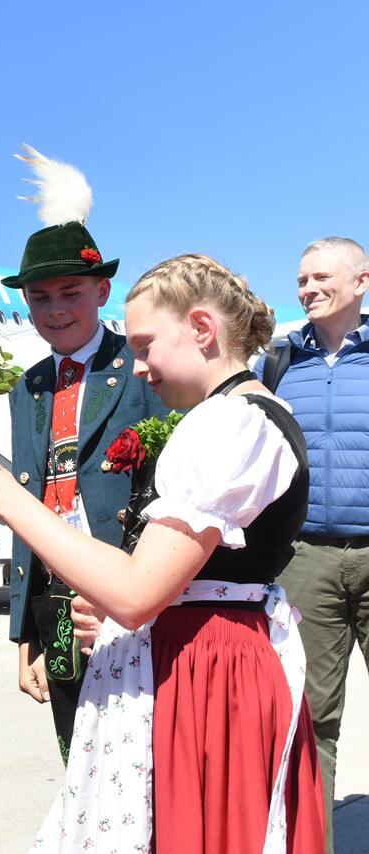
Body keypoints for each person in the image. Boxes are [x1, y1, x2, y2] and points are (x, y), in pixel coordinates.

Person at [0, 254, 326, 851]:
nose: (137, 366)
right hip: (210, 651)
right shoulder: (247, 414)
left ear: (201, 328)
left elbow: (136, 592)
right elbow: (169, 579)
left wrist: (3, 496)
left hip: (206, 666)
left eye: (146, 345)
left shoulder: (228, 423)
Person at [2, 148, 166, 761]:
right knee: (78, 755)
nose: (55, 309)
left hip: (130, 587)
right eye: (39, 297)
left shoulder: (143, 368)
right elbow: (26, 499)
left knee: (141, 755)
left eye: (70, 292)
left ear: (102, 290)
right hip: (56, 596)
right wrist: (25, 629)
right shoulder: (26, 387)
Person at [258, 236, 369, 851]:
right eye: (302, 279)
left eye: (321, 277)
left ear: (361, 282)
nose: (308, 289)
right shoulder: (277, 363)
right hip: (305, 560)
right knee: (312, 716)